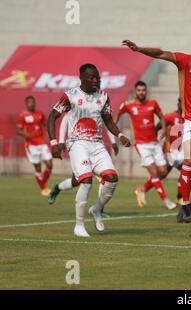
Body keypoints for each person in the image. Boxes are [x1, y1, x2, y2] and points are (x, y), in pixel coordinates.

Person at [122, 36, 191, 223]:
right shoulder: (186, 60)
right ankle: (185, 205)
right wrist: (139, 49)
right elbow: (160, 53)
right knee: (188, 161)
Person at [47, 63, 131, 237]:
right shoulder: (70, 96)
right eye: (92, 78)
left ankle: (97, 209)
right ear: (82, 78)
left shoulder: (103, 96)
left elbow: (108, 121)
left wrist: (120, 135)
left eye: (97, 78)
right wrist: (55, 142)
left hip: (97, 144)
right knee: (86, 181)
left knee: (112, 178)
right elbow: (52, 117)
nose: (96, 81)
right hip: (77, 143)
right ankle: (79, 225)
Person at [115, 81, 176, 210]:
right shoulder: (129, 105)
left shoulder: (152, 103)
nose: (141, 92)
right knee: (154, 173)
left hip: (154, 143)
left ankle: (141, 189)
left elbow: (161, 117)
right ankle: (166, 200)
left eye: (143, 90)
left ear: (146, 91)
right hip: (141, 145)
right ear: (135, 92)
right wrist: (117, 133)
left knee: (163, 172)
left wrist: (164, 129)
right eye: (139, 90)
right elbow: (116, 116)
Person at [47, 112, 118, 218]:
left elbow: (108, 122)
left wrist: (113, 141)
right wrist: (61, 141)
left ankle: (99, 209)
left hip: (95, 148)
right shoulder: (76, 100)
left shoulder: (99, 101)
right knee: (76, 181)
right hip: (79, 148)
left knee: (107, 177)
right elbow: (65, 120)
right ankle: (57, 188)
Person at [16, 96, 53, 196]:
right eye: (29, 102)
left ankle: (42, 185)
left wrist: (50, 127)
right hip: (31, 145)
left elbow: (45, 124)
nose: (31, 104)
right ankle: (43, 189)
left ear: (35, 103)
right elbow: (18, 130)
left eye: (33, 102)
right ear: (26, 104)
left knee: (50, 165)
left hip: (41, 143)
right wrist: (25, 135)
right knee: (38, 168)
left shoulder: (40, 114)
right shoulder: (23, 116)